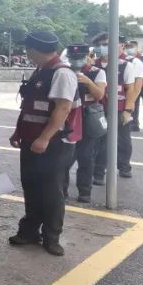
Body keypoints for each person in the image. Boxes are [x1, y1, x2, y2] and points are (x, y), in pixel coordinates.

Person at [9, 31, 82, 256]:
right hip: (31, 140)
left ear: (35, 50)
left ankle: (52, 237)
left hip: (53, 143)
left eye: (27, 49)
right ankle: (29, 231)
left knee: (51, 190)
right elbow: (29, 106)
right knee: (31, 185)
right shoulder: (41, 70)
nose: (26, 53)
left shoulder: (62, 73)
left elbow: (63, 108)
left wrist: (44, 138)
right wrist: (19, 131)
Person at [62, 45, 106, 204]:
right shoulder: (63, 71)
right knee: (64, 158)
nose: (76, 61)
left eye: (80, 57)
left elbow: (99, 95)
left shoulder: (97, 72)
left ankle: (85, 191)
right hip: (68, 120)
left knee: (86, 157)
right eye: (73, 58)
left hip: (88, 119)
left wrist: (88, 82)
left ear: (87, 56)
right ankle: (62, 190)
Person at [91, 36, 139, 182]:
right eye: (100, 44)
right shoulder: (93, 65)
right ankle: (99, 172)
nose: (103, 47)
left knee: (123, 141)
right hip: (97, 110)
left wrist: (128, 110)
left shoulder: (125, 66)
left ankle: (124, 167)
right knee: (101, 142)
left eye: (106, 44)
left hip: (118, 109)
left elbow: (130, 90)